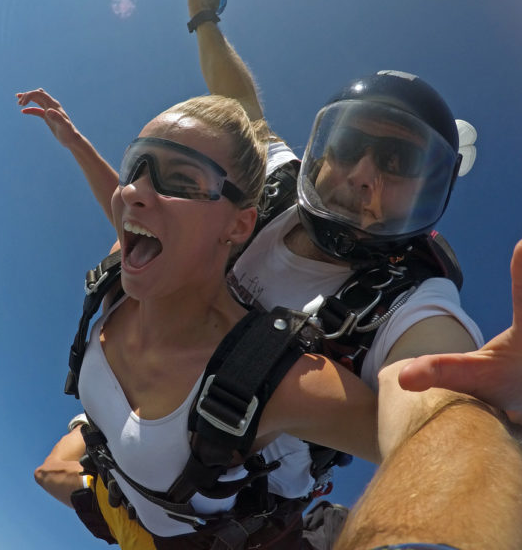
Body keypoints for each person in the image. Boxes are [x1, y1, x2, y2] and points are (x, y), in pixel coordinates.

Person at [35, 93, 384, 549]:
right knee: (48, 473)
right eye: (136, 166)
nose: (136, 191)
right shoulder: (120, 278)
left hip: (203, 537)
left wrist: (505, 411)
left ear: (239, 227)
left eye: (182, 180)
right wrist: (76, 143)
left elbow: (437, 452)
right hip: (127, 495)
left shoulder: (270, 379)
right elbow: (127, 210)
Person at [335, 226, 522, 550]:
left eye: (406, 171)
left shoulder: (421, 297)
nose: (365, 177)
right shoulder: (268, 195)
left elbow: (430, 396)